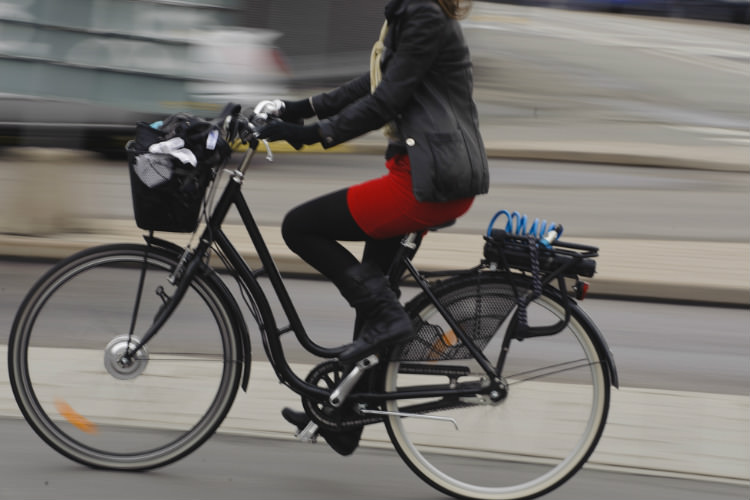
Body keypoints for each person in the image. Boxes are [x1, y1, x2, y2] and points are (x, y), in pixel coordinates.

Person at [257, 0, 489, 456]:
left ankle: (389, 318)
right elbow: (375, 81)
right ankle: (345, 419)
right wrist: (297, 108)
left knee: (300, 226)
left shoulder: (422, 13)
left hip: (426, 183)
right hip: (422, 174)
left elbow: (388, 98)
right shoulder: (411, 10)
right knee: (372, 296)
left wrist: (309, 135)